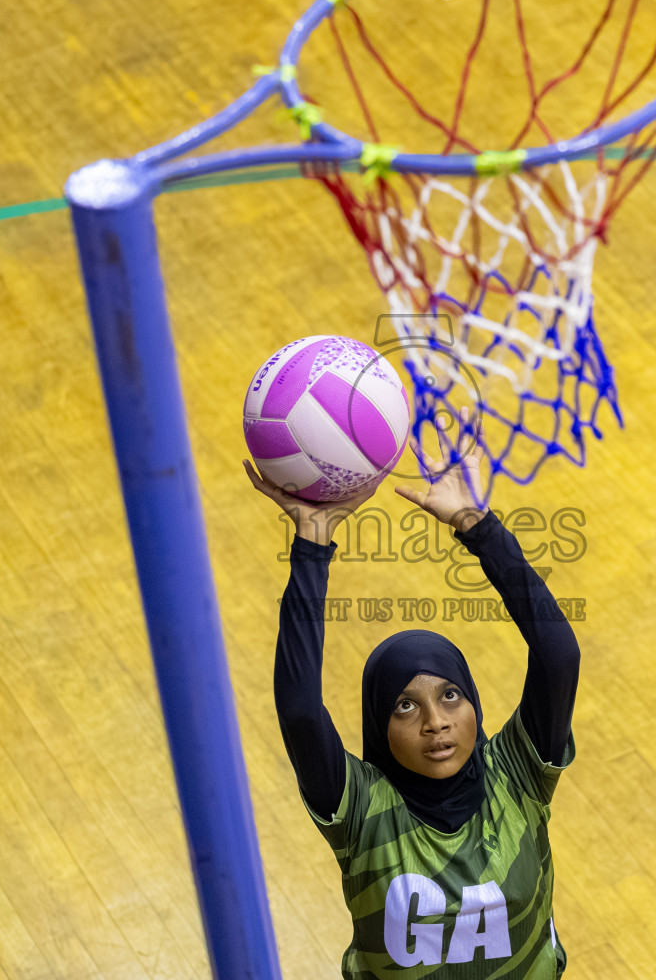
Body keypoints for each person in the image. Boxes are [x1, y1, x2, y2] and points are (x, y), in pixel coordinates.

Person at [246, 411, 581, 979]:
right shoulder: (360, 809)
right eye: (406, 705)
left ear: (474, 703)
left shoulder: (517, 775)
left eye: (450, 696)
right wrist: (312, 545)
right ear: (379, 725)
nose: (436, 722)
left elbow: (558, 656)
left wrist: (478, 527)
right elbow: (300, 708)